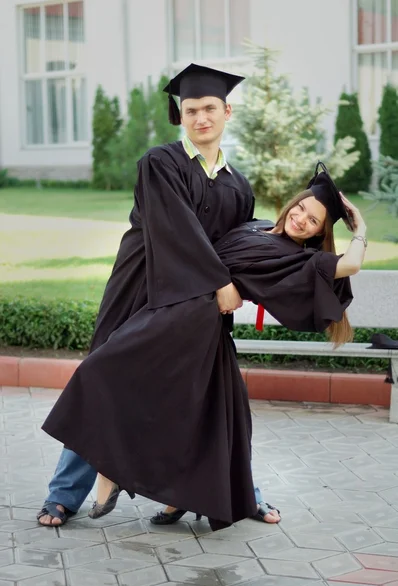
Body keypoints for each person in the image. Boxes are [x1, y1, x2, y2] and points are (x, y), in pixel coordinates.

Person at [41, 162, 366, 529]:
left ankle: (120, 474)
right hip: (172, 310)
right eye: (302, 208)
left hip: (192, 326)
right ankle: (127, 483)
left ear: (320, 232)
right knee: (127, 384)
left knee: (119, 380)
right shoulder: (254, 225)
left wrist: (361, 229)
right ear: (294, 202)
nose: (302, 219)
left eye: (314, 221)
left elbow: (350, 265)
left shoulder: (299, 260)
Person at [37, 63, 279, 529]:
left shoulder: (237, 185)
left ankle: (242, 492)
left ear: (227, 111)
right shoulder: (160, 163)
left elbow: (237, 244)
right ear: (180, 116)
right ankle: (64, 495)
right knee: (108, 379)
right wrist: (220, 283)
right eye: (191, 110)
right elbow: (178, 233)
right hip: (141, 291)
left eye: (210, 108)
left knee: (211, 396)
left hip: (198, 306)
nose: (201, 118)